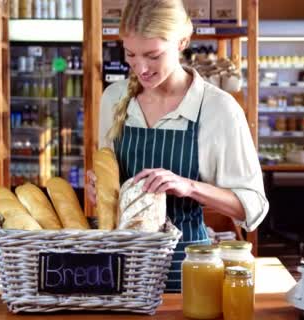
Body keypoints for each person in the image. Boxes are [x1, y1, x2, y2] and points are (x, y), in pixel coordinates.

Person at [86, 0, 268, 293]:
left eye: (153, 55)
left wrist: (189, 187)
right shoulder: (114, 98)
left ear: (182, 42)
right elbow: (110, 180)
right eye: (130, 54)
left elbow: (254, 207)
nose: (140, 68)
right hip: (119, 268)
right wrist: (101, 191)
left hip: (188, 271)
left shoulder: (218, 108)